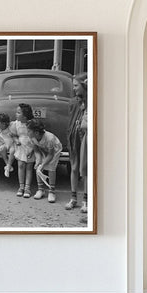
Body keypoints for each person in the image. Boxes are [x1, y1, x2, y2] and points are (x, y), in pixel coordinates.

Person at [65, 73, 88, 213]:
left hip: (85, 135)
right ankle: (73, 198)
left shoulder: (91, 100)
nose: (74, 89)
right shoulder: (73, 102)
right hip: (74, 135)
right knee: (74, 167)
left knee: (85, 169)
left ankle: (86, 200)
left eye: (76, 85)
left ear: (84, 85)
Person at [27, 119, 62, 203]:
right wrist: (38, 160)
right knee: (38, 167)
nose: (27, 132)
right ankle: (40, 190)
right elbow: (36, 149)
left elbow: (50, 154)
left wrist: (43, 164)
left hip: (54, 151)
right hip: (42, 149)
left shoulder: (50, 138)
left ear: (36, 132)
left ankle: (52, 191)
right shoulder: (32, 137)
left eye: (29, 130)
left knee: (51, 168)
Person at [9, 103, 34, 198]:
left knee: (29, 167)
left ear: (25, 115)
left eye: (18, 112)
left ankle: (27, 187)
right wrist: (16, 141)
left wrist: (32, 150)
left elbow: (35, 136)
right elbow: (13, 135)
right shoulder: (16, 124)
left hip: (31, 146)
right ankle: (21, 186)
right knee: (21, 165)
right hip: (21, 146)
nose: (16, 114)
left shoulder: (31, 123)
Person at [0, 113, 15, 178]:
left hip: (12, 143)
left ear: (4, 124)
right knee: (2, 149)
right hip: (4, 144)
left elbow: (15, 136)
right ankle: (7, 164)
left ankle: (8, 166)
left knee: (12, 151)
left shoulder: (10, 128)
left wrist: (14, 136)